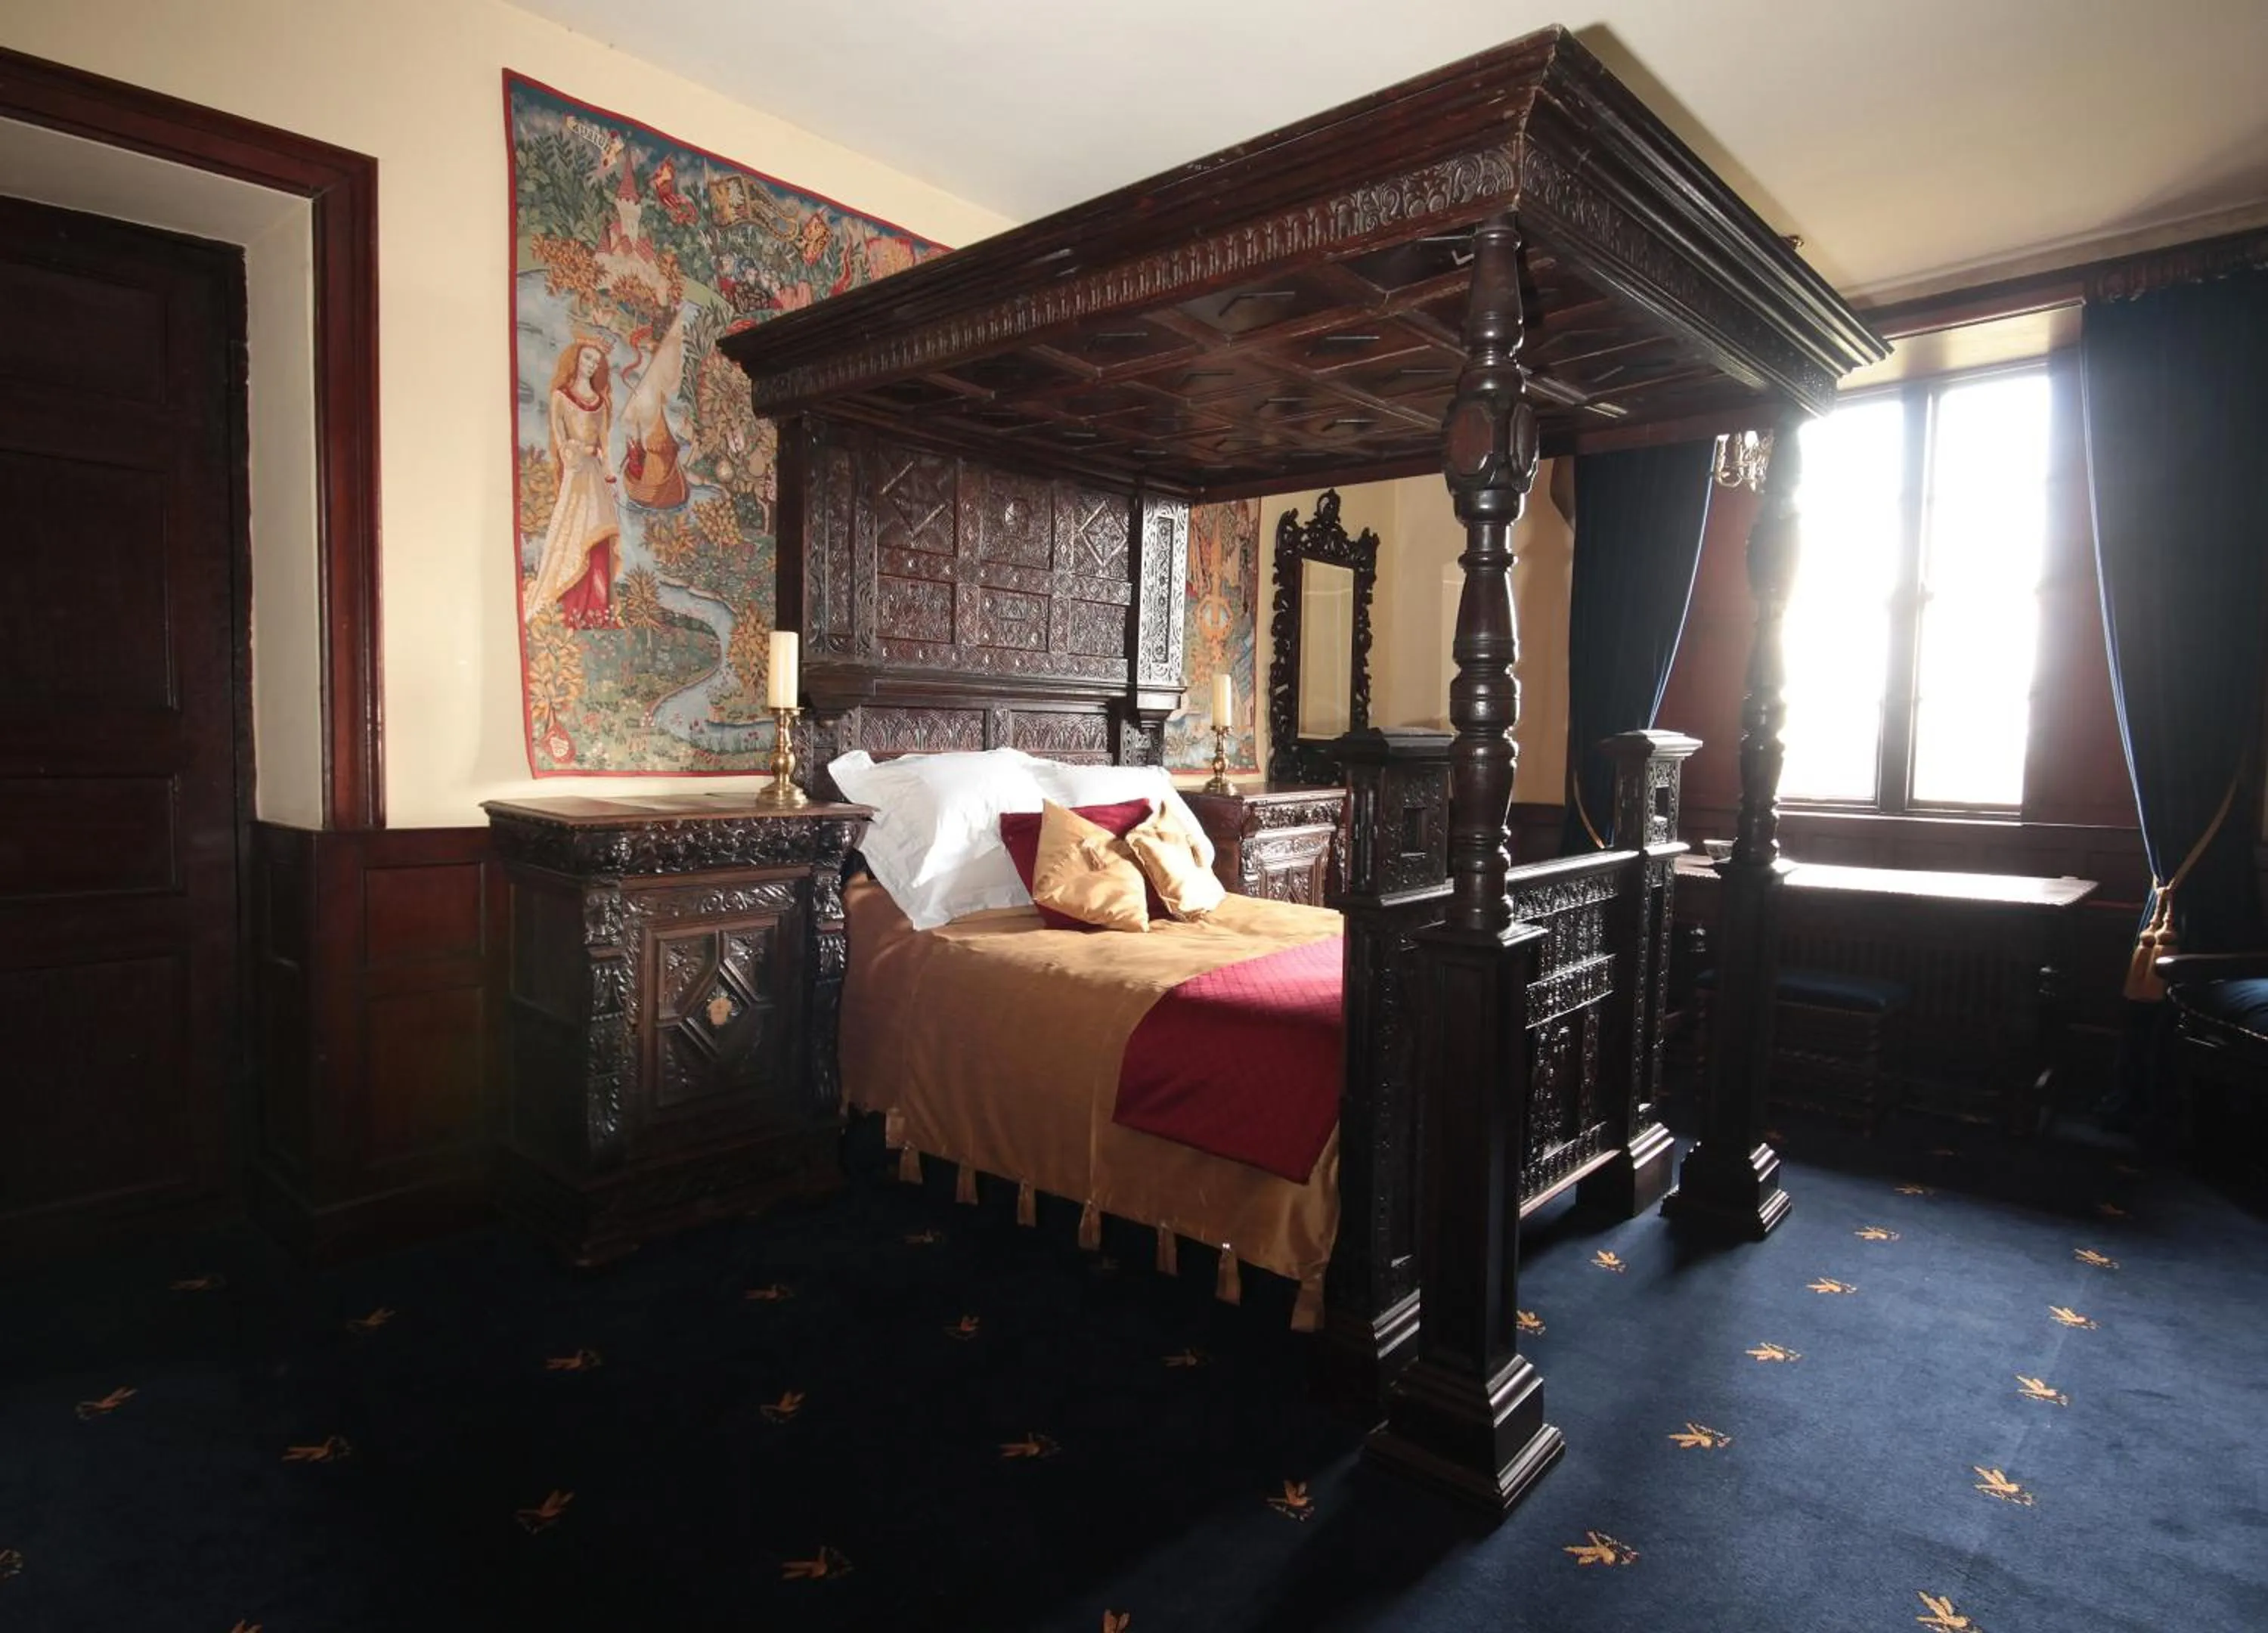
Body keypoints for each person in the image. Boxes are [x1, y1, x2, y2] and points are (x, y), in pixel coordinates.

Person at [523, 339, 621, 627]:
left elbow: (605, 444)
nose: (590, 364)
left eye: (596, 361)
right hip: (577, 476)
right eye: (587, 358)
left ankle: (597, 608)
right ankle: (572, 607)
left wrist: (609, 474)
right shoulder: (561, 397)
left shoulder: (601, 403)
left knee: (599, 539)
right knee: (575, 535)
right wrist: (582, 452)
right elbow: (562, 443)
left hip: (595, 478)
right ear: (577, 359)